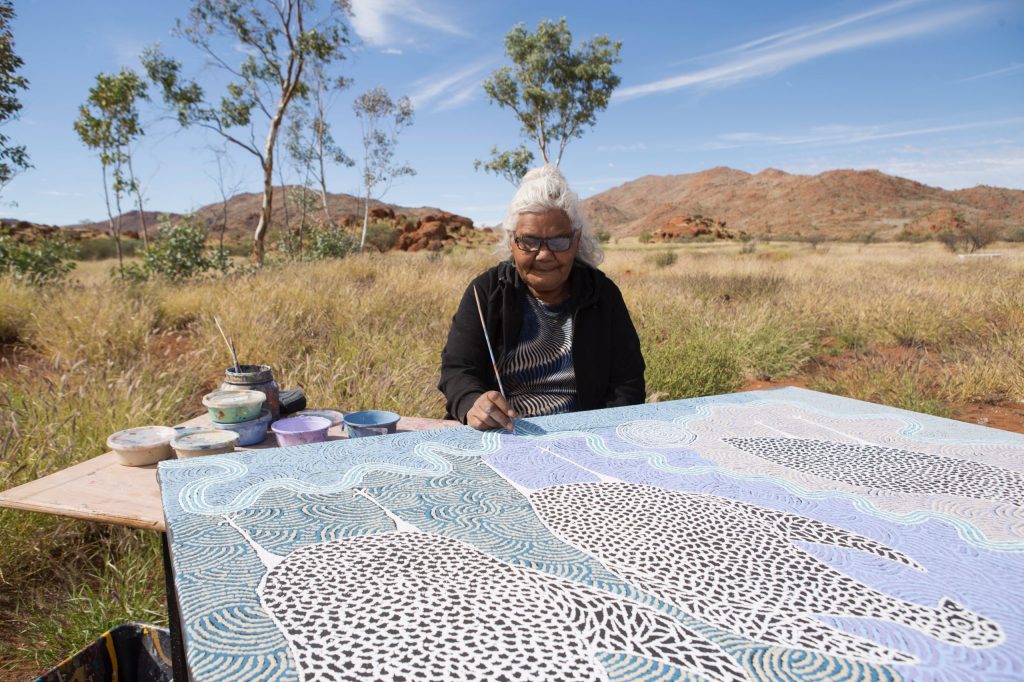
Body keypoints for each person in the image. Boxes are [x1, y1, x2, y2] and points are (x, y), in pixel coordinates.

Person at [439, 165, 645, 431]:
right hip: (503, 435)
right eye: (529, 241)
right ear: (512, 241)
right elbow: (457, 369)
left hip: (584, 435)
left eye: (559, 241)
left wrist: (604, 433)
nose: (544, 255)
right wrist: (472, 402)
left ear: (576, 239)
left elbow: (627, 382)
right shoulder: (485, 292)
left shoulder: (602, 293)